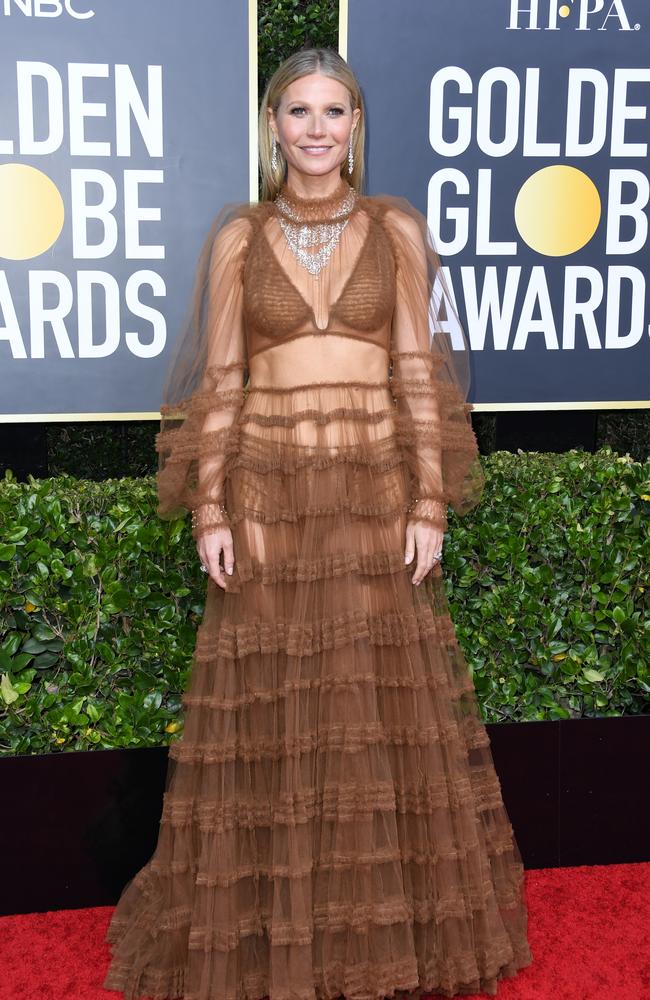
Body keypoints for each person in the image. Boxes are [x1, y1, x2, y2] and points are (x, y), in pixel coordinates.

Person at [102, 47, 533, 1000]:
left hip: (375, 494)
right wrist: (210, 501)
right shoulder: (238, 239)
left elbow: (417, 370)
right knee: (274, 713)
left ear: (356, 126)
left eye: (333, 112)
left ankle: (371, 944)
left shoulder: (398, 230)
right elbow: (223, 380)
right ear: (272, 126)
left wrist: (429, 499)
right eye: (297, 111)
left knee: (369, 714)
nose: (315, 129)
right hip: (266, 492)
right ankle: (270, 939)